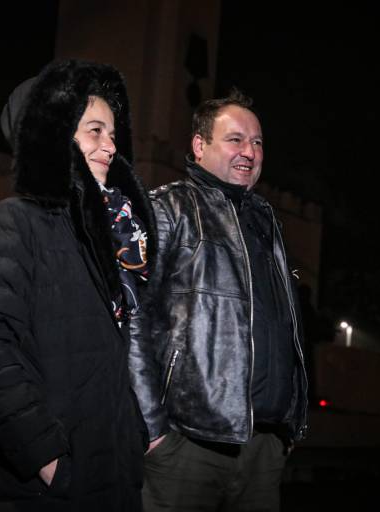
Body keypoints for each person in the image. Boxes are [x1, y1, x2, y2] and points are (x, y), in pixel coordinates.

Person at [0, 59, 156, 511]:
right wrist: (45, 455)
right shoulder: (14, 223)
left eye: (113, 134)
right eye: (94, 131)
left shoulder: (105, 239)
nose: (110, 146)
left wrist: (134, 431)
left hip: (112, 474)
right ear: (53, 134)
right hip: (43, 487)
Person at [129, 89, 308, 511]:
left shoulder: (265, 221)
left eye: (257, 142)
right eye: (235, 139)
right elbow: (132, 316)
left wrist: (288, 427)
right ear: (200, 145)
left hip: (264, 448)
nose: (249, 151)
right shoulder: (167, 208)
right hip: (188, 447)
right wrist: (152, 429)